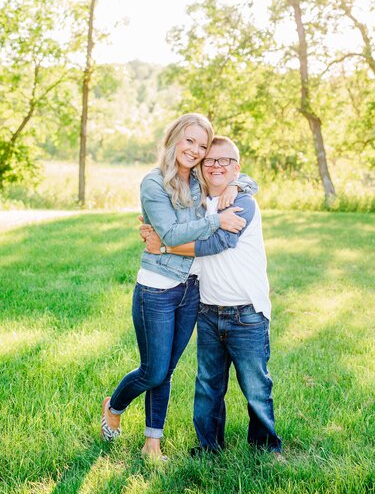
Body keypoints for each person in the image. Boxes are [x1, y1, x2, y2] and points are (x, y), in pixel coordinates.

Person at [101, 114, 257, 460]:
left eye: (202, 145)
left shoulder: (201, 178)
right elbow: (170, 234)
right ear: (174, 139)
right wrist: (216, 219)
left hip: (192, 289)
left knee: (167, 370)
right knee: (153, 370)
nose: (196, 150)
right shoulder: (153, 183)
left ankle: (151, 443)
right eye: (190, 141)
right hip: (156, 288)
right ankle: (115, 404)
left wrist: (237, 186)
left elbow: (237, 175)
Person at [143, 135, 282, 455]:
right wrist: (153, 229)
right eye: (210, 161)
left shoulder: (243, 202)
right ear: (202, 167)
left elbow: (219, 243)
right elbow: (171, 218)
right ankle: (209, 445)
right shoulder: (198, 201)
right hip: (207, 309)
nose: (217, 166)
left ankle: (265, 447)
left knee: (256, 386)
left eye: (225, 161)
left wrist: (163, 246)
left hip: (247, 311)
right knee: (207, 384)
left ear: (237, 167)